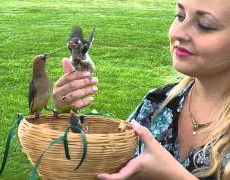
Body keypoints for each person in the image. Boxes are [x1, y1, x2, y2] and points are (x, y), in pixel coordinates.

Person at [53, 0, 230, 179]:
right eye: (179, 16)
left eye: (204, 25)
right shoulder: (156, 105)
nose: (178, 32)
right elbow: (95, 169)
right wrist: (65, 117)